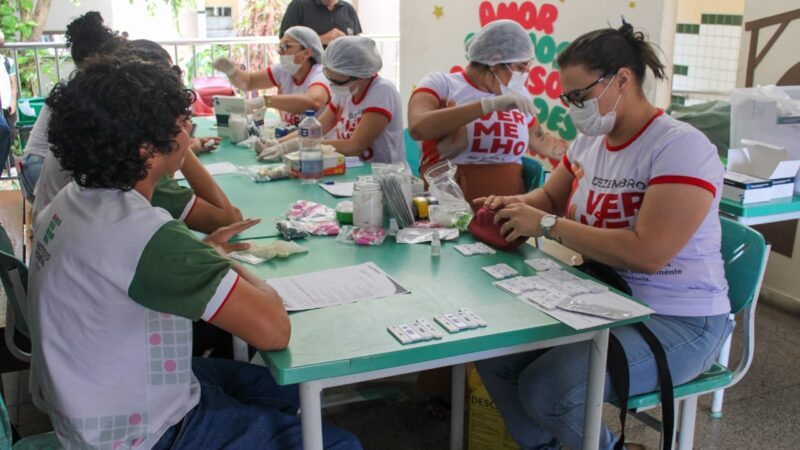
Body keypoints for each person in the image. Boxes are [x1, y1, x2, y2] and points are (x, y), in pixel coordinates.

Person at [29, 54, 362, 450]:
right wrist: (219, 260)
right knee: (338, 444)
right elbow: (274, 329)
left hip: (89, 402)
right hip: (144, 433)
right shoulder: (143, 233)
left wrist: (198, 254)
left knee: (282, 391)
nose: (188, 131)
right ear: (148, 150)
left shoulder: (72, 199)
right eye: (181, 125)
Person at [474, 22, 732, 450]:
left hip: (677, 317)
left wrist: (546, 225)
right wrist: (508, 205)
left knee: (550, 391)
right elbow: (549, 198)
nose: (574, 108)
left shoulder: (680, 148)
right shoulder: (589, 144)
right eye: (567, 98)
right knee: (493, 355)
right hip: (605, 298)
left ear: (622, 81)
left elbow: (648, 252)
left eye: (580, 96)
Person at [30, 20, 239, 235]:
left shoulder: (110, 140)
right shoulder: (134, 172)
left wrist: (180, 141)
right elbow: (228, 220)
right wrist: (179, 137)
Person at [408, 20, 568, 205]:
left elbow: (540, 140)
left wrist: (584, 153)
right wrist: (487, 106)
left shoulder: (519, 95)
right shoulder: (442, 85)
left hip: (507, 211)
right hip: (448, 208)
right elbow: (417, 128)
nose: (524, 74)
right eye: (520, 67)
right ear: (494, 61)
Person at [258, 36, 405, 165]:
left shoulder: (382, 91)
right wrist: (278, 144)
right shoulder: (346, 90)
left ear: (360, 77)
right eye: (330, 79)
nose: (332, 86)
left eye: (337, 82)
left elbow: (355, 146)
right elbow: (316, 128)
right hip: (353, 172)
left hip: (385, 178)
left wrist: (305, 144)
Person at [213, 26, 330, 127]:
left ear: (307, 53)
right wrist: (232, 71)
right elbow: (249, 82)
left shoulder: (320, 74)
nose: (280, 52)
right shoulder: (283, 70)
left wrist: (265, 101)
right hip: (292, 138)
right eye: (280, 47)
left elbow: (314, 102)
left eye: (286, 46)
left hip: (319, 144)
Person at [280, 0, 362, 46]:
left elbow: (358, 43)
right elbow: (284, 44)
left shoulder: (348, 9)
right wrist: (320, 40)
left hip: (344, 71)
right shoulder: (298, 5)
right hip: (310, 72)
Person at [0, 30, 18, 177]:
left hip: (6, 104)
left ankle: (9, 164)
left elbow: (13, 85)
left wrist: (13, 100)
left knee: (9, 133)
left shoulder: (6, 62)